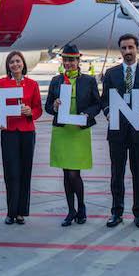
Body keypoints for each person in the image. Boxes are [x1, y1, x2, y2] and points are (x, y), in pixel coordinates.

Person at [100, 34, 139, 229]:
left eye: (130, 47)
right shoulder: (111, 73)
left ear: (137, 48)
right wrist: (107, 112)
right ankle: (116, 212)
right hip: (117, 131)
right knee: (117, 173)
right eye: (124, 48)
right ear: (120, 51)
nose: (127, 52)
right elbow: (104, 100)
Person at [45, 44, 101, 227]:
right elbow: (47, 107)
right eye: (66, 59)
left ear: (79, 61)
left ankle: (81, 206)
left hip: (78, 131)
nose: (69, 63)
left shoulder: (89, 81)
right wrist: (54, 106)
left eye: (72, 59)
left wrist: (88, 114)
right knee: (66, 173)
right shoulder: (56, 81)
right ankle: (71, 210)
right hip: (62, 131)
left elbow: (97, 104)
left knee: (74, 174)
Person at [0, 51, 42, 225]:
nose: (15, 64)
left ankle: (21, 212)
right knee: (11, 173)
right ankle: (11, 211)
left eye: (18, 61)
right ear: (8, 65)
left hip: (27, 131)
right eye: (11, 62)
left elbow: (38, 110)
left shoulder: (32, 84)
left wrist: (30, 113)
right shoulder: (0, 84)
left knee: (25, 172)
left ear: (23, 64)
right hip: (9, 132)